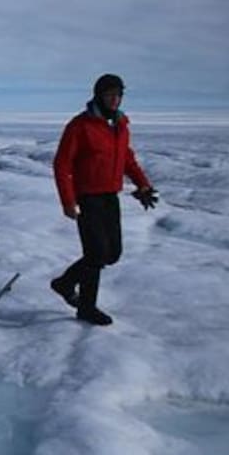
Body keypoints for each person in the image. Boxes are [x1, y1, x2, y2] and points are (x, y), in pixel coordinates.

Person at [51, 73, 158, 326]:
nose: (115, 99)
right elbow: (61, 164)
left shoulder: (120, 126)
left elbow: (127, 159)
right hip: (87, 198)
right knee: (96, 253)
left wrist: (143, 184)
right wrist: (68, 201)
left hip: (111, 196)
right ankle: (86, 308)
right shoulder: (80, 126)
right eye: (110, 94)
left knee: (112, 254)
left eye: (119, 94)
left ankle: (64, 283)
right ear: (99, 95)